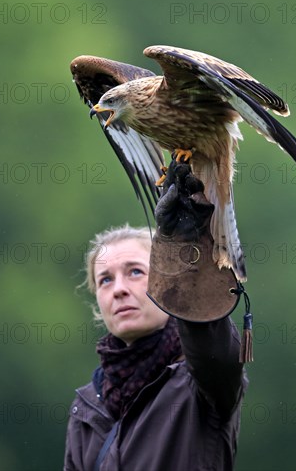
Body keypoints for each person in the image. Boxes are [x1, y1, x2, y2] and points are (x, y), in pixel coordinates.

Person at [64, 161, 248, 471]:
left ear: (164, 282)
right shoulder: (87, 407)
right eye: (105, 280)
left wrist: (185, 255)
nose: (119, 289)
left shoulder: (201, 382)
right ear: (96, 299)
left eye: (135, 272)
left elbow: (212, 348)